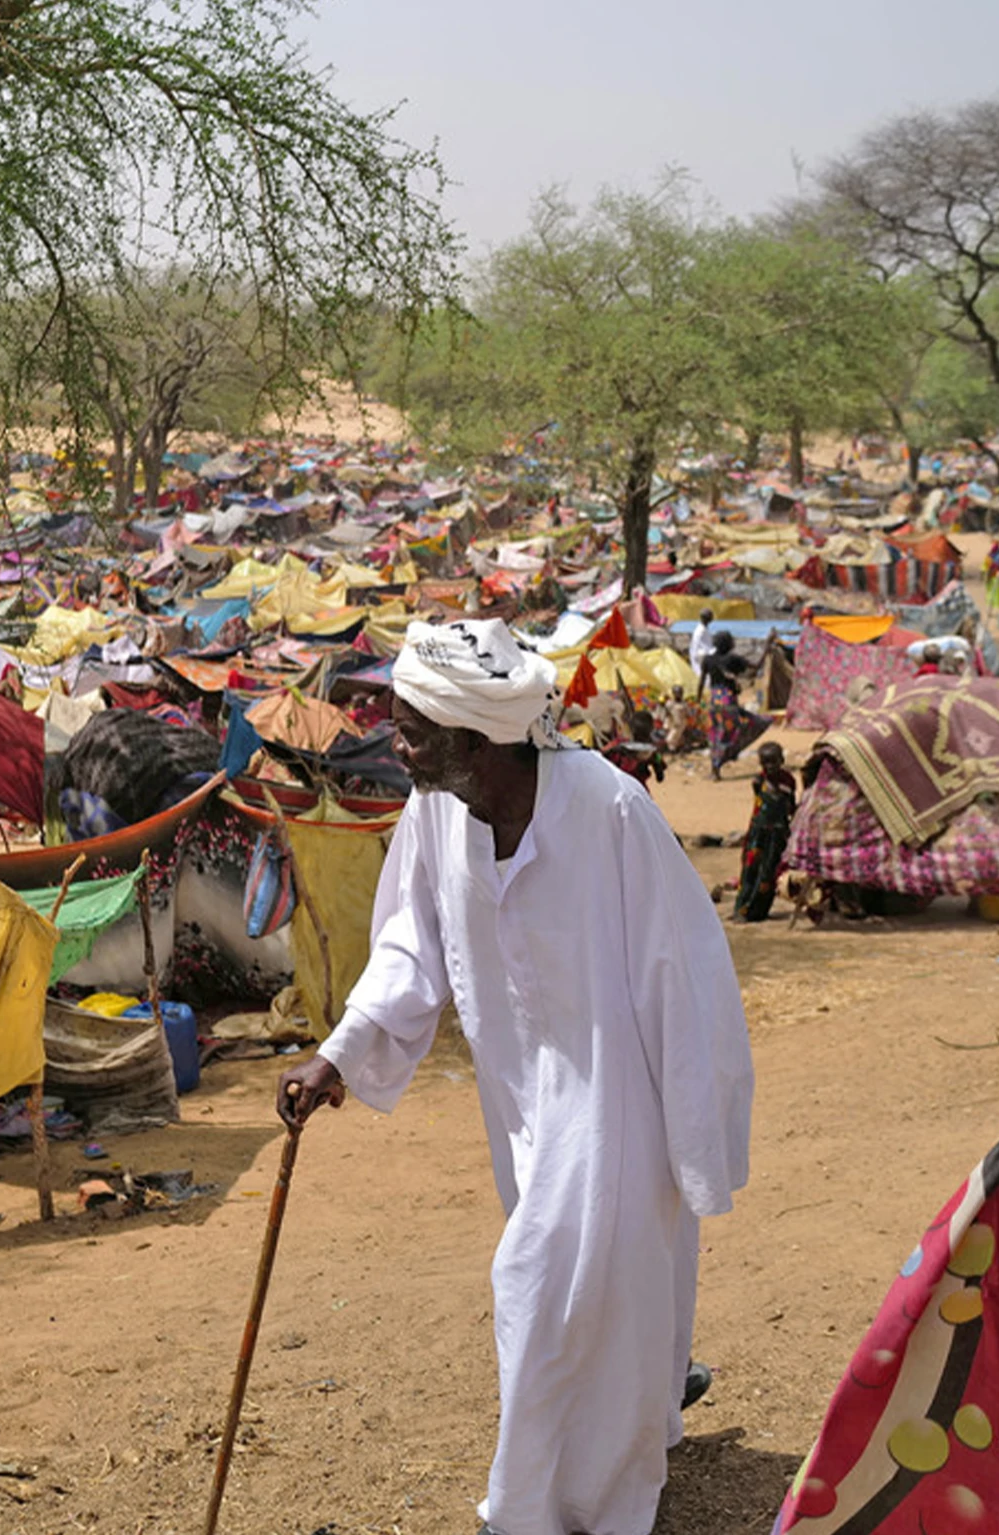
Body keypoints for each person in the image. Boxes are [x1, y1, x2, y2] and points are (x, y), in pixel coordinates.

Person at [276, 618, 753, 1535]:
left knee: (539, 1284)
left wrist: (696, 1132)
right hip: (519, 1100)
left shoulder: (609, 810)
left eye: (413, 733)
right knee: (606, 1296)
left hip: (620, 1096)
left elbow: (682, 973)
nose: (398, 749)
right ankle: (646, 1410)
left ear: (475, 739)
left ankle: (530, 1510)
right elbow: (409, 944)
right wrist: (341, 1049)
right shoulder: (434, 812)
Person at [734, 741, 796, 923]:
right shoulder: (758, 781)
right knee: (750, 871)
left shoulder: (788, 781)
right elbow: (760, 804)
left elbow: (790, 806)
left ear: (782, 760)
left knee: (768, 873)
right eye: (765, 762)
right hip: (758, 832)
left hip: (777, 834)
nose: (769, 766)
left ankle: (759, 911)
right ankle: (742, 909)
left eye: (773, 761)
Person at [701, 632, 765, 780]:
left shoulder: (708, 659)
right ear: (729, 644)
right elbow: (756, 666)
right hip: (728, 701)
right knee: (741, 728)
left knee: (715, 735)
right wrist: (767, 645)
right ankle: (729, 754)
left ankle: (715, 770)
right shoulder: (732, 659)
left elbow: (702, 682)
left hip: (714, 701)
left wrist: (699, 701)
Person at [603, 709, 667, 790]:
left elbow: (600, 756)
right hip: (639, 790)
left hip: (619, 788)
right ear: (651, 730)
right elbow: (660, 778)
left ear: (631, 729)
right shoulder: (652, 751)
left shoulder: (618, 744)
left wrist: (614, 750)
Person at [688, 607, 717, 692]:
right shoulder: (701, 631)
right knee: (705, 678)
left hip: (702, 655)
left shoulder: (703, 629)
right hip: (701, 657)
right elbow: (700, 646)